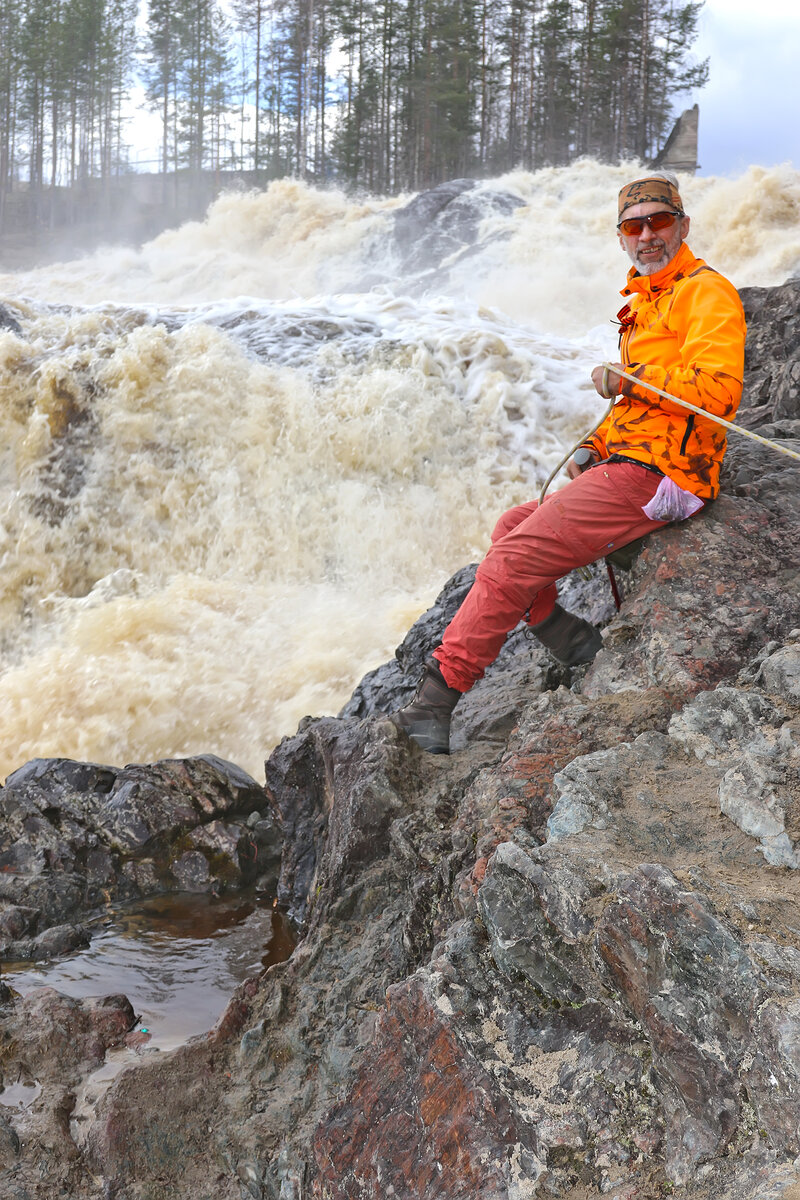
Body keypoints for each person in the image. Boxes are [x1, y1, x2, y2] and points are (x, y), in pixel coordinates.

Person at [392, 172, 747, 754]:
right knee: (511, 525)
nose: (648, 235)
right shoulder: (650, 299)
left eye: (659, 222)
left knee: (510, 561)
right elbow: (641, 408)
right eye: (635, 227)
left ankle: (434, 703)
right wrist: (596, 446)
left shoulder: (704, 292)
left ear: (682, 226)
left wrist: (629, 378)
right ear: (622, 238)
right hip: (632, 461)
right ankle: (570, 638)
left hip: (666, 475)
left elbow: (716, 392)